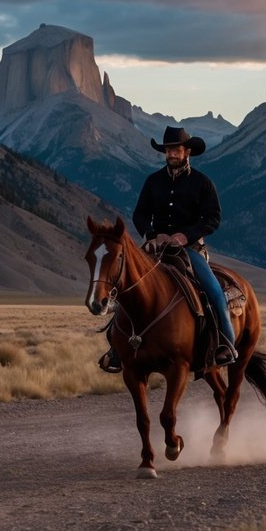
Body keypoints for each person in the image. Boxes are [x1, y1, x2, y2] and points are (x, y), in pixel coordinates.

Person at [99, 126, 239, 372]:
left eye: (176, 150)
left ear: (187, 152)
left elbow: (213, 219)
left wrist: (187, 235)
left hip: (191, 250)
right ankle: (117, 348)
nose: (171, 154)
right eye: (168, 150)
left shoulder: (202, 183)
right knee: (128, 288)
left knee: (214, 291)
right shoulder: (153, 181)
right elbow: (140, 214)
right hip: (156, 248)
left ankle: (226, 344)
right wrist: (153, 234)